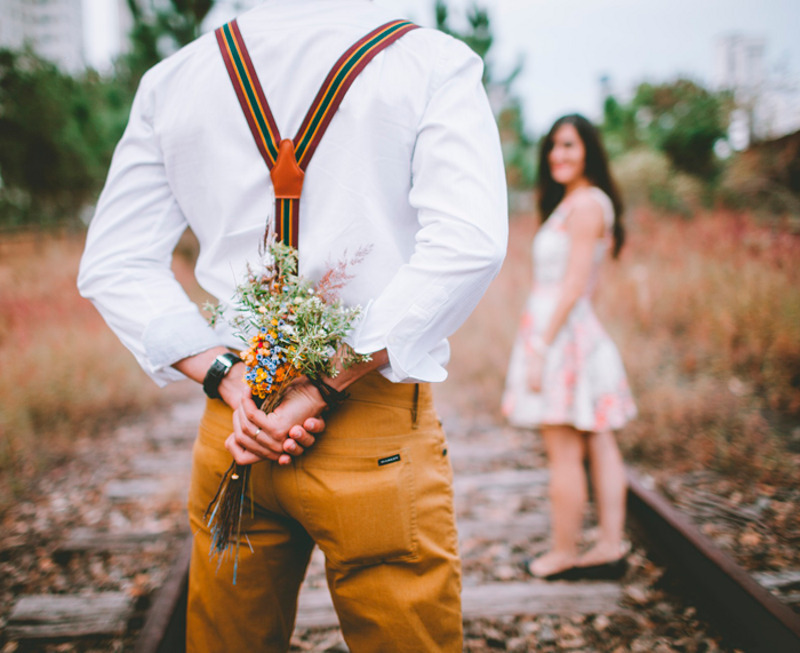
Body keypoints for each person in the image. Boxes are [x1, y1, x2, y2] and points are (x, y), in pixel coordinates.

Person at [78, 1, 507, 651]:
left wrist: (229, 375)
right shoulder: (429, 61)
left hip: (238, 429)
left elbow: (114, 261)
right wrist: (321, 384)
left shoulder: (175, 79)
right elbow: (468, 244)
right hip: (370, 422)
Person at [502, 114, 636, 580]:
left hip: (560, 336)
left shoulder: (585, 206)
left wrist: (541, 345)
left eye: (568, 145)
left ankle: (564, 553)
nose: (558, 155)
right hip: (571, 330)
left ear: (588, 151)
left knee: (564, 448)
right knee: (598, 439)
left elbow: (576, 282)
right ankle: (607, 545)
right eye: (553, 148)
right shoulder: (580, 203)